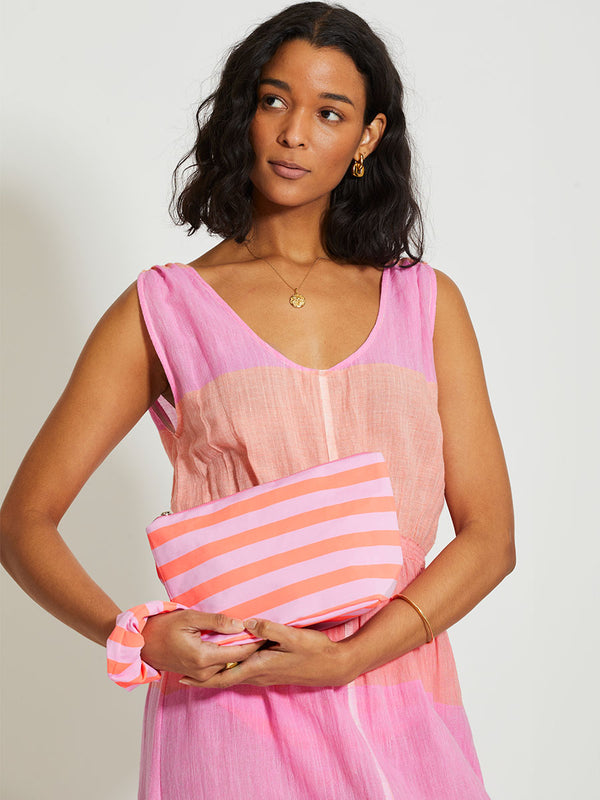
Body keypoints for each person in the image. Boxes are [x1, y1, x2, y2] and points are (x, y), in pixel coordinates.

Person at [0, 2, 515, 798]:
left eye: (329, 112)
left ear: (368, 138)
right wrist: (139, 634)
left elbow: (490, 539)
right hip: (231, 714)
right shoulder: (165, 309)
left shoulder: (427, 304)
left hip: (403, 707)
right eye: (274, 100)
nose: (294, 133)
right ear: (245, 112)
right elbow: (23, 521)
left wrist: (351, 656)